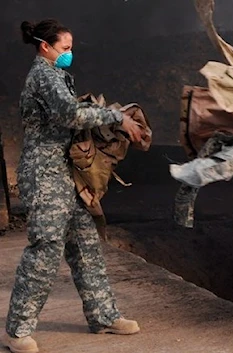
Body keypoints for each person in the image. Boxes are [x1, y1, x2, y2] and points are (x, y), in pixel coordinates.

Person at [1, 19, 143, 353]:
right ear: (45, 47)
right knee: (45, 251)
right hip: (45, 174)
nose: (70, 53)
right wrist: (114, 116)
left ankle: (103, 317)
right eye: (65, 48)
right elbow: (69, 114)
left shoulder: (58, 74)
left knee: (86, 246)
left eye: (71, 48)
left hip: (66, 173)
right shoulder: (43, 75)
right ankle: (18, 331)